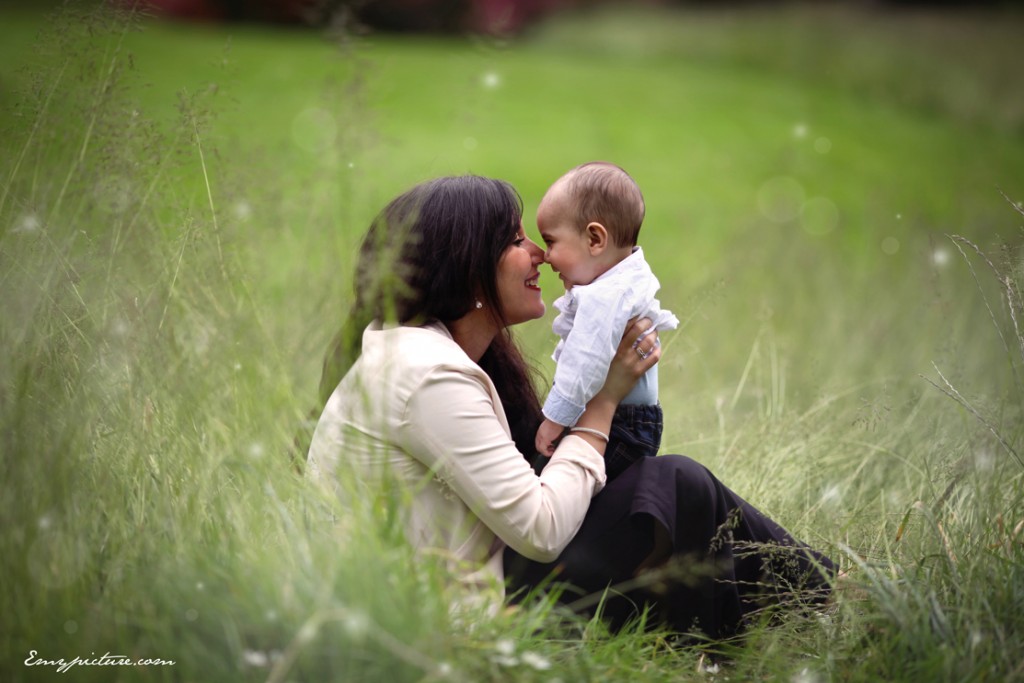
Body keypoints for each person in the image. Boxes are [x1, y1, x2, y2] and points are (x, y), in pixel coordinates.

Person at [307, 175, 835, 641]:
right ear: (470, 270)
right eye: (516, 241)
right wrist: (604, 401)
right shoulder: (427, 375)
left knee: (662, 490)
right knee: (676, 486)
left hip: (473, 581)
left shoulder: (424, 354)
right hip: (446, 621)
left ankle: (808, 602)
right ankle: (817, 603)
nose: (538, 253)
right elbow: (540, 529)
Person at [534, 162, 678, 480]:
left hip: (620, 425)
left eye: (551, 242)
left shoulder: (606, 296)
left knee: (553, 477)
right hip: (624, 419)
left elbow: (586, 357)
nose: (545, 257)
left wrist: (556, 418)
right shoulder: (620, 280)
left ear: (595, 239)